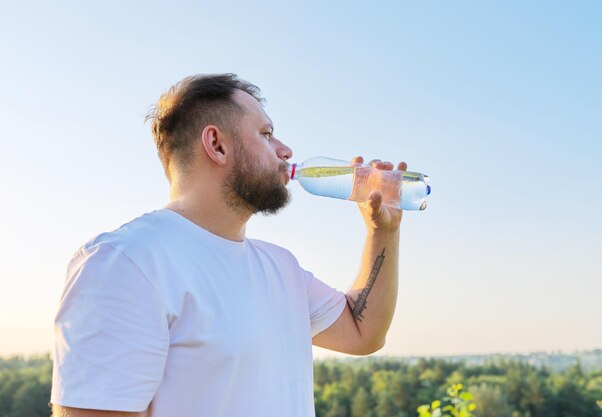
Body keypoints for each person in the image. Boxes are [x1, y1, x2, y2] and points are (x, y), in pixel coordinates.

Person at [50, 73, 406, 417]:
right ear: (217, 144)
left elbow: (364, 334)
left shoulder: (281, 267)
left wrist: (382, 231)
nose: (285, 150)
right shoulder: (126, 263)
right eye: (266, 134)